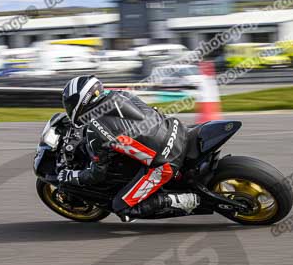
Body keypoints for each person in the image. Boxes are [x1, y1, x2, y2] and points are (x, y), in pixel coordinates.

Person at [57, 75, 200, 221]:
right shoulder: (120, 95)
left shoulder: (96, 130)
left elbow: (97, 174)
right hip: (176, 128)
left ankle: (186, 200)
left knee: (121, 206)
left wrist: (72, 176)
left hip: (165, 162)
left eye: (70, 104)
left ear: (81, 102)